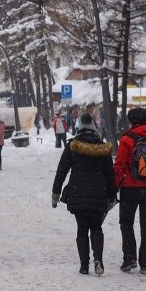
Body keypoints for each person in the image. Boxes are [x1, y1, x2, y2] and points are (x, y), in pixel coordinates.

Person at [51, 113, 117, 275]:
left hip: (77, 194)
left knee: (81, 229)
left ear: (79, 127)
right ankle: (98, 260)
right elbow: (110, 175)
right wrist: (111, 196)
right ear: (95, 128)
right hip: (98, 195)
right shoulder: (103, 149)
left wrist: (56, 194)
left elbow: (61, 172)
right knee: (96, 227)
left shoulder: (73, 146)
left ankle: (84, 266)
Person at [114, 107, 146, 275]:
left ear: (132, 121)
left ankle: (129, 259)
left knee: (126, 223)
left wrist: (115, 186)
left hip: (130, 188)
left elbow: (120, 166)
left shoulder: (127, 139)